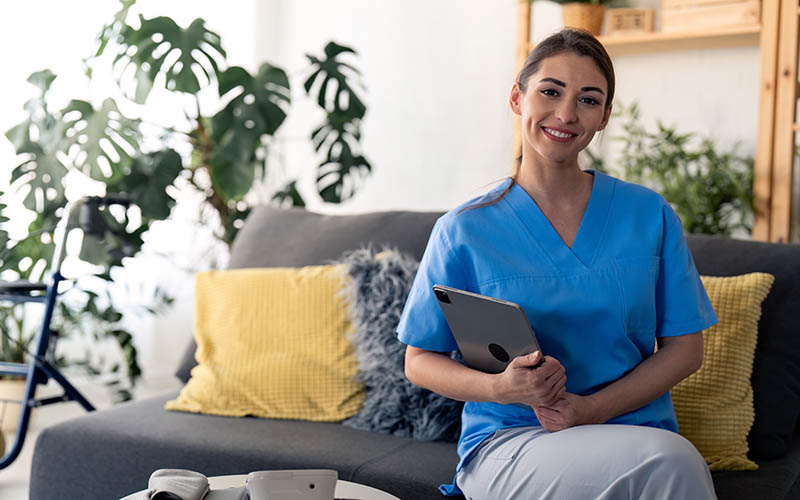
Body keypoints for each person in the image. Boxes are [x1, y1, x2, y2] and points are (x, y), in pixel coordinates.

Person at [396, 28, 719, 500]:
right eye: (550, 91)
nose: (566, 114)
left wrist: (591, 409)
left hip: (636, 436)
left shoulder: (648, 215)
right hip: (514, 441)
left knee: (666, 460)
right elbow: (420, 361)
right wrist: (503, 389)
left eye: (588, 100)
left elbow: (685, 349)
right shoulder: (464, 229)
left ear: (604, 116)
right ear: (517, 97)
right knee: (672, 463)